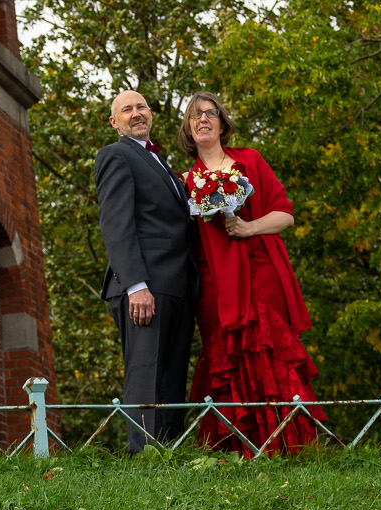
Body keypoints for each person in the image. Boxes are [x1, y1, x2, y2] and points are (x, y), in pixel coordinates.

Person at [180, 93, 320, 456]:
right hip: (214, 279)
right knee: (227, 354)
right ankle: (234, 446)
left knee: (267, 345)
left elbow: (285, 215)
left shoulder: (251, 161)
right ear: (188, 128)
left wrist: (249, 227)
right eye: (195, 115)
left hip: (260, 267)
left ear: (223, 123)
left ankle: (290, 444)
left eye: (210, 113)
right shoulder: (185, 180)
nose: (203, 119)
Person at [94, 89, 199, 451]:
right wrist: (136, 285)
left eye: (141, 107)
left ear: (150, 113)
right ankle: (144, 457)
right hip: (144, 286)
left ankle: (168, 454)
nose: (136, 113)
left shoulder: (163, 165)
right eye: (127, 110)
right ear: (115, 121)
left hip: (177, 284)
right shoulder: (116, 155)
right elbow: (116, 225)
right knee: (146, 371)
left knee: (172, 372)